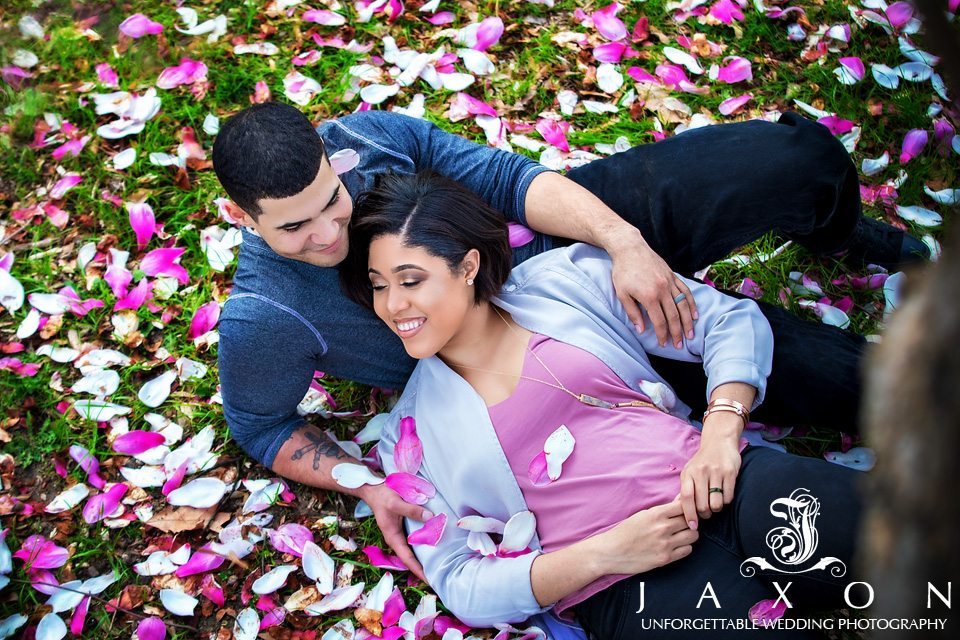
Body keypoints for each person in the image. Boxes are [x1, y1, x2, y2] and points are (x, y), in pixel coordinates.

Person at [211, 102, 915, 579]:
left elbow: (504, 179)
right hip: (557, 347)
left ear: (330, 157)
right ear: (239, 217)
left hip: (568, 240)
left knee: (793, 156)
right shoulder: (264, 314)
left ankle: (839, 231)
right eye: (295, 228)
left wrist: (623, 240)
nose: (329, 236)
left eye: (331, 201)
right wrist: (367, 485)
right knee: (864, 385)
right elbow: (260, 422)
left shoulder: (368, 138)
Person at [339, 171, 864, 638]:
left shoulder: (563, 282)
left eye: (411, 280)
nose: (393, 305)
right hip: (624, 588)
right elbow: (460, 582)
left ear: (468, 265)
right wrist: (602, 555)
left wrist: (721, 436)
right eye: (379, 286)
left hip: (726, 483)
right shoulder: (408, 430)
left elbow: (728, 322)